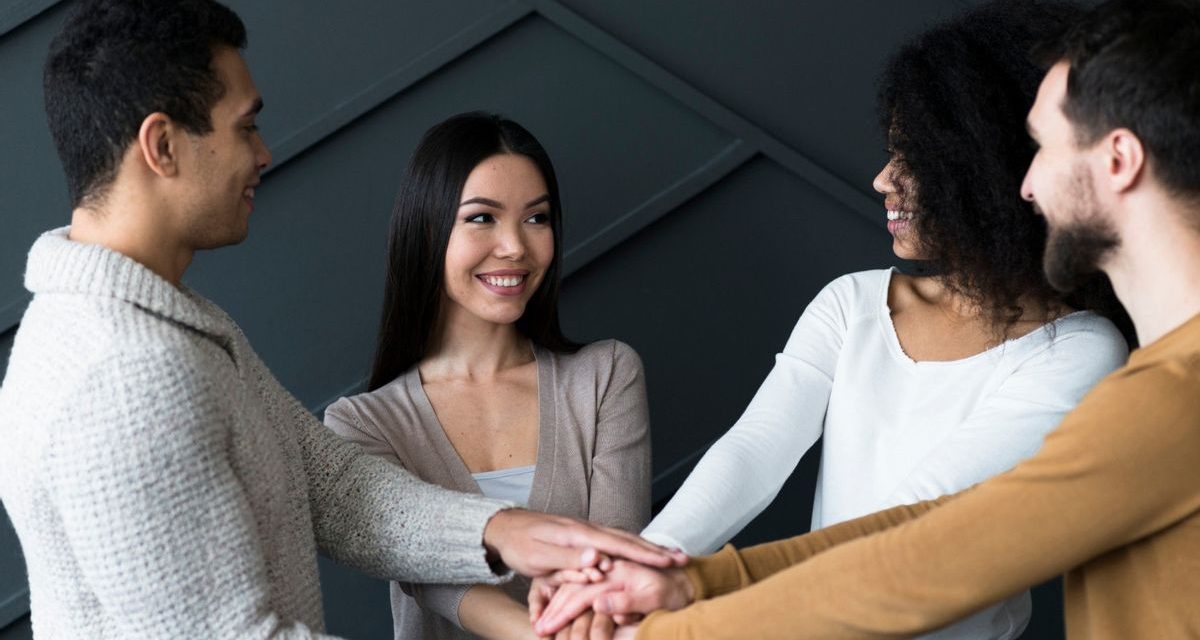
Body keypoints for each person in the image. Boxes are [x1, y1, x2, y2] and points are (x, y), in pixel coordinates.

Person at [0, 2, 682, 638]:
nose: (263, 153)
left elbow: (337, 489)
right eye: (246, 126)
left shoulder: (170, 322)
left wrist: (500, 529)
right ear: (163, 146)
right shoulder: (124, 375)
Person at [533, 0, 1200, 637]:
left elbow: (920, 550)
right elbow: (892, 517)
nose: (1029, 182)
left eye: (1043, 146)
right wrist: (663, 576)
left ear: (1118, 160)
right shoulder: (1161, 388)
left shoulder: (1157, 392)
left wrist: (663, 626)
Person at [324, 112, 651, 640]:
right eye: (482, 218)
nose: (516, 247)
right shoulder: (363, 424)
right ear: (427, 229)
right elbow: (426, 569)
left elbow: (615, 563)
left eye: (536, 218)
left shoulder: (605, 377)